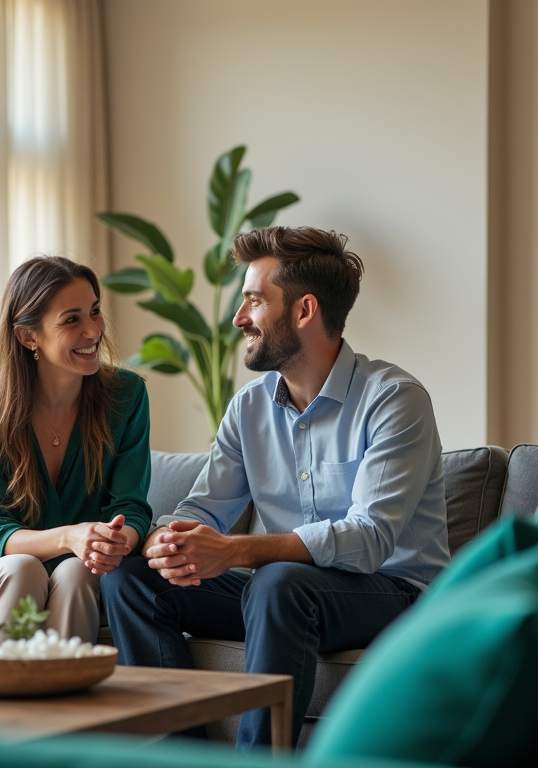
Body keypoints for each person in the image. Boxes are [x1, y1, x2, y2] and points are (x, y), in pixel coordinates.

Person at [101, 226, 450, 749]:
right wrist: (164, 541)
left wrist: (236, 551)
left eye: (254, 302)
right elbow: (203, 509)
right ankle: (182, 758)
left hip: (391, 592)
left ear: (304, 311)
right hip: (285, 594)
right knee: (131, 577)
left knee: (277, 581)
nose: (239, 318)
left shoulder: (394, 400)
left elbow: (371, 538)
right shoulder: (250, 407)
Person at [0, 255, 152, 644]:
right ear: (27, 336)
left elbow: (130, 506)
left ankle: (61, 700)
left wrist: (117, 542)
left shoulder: (127, 395)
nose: (93, 330)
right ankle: (2, 696)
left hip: (74, 571)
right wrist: (70, 537)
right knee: (25, 569)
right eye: (72, 320)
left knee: (76, 570)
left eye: (95, 312)